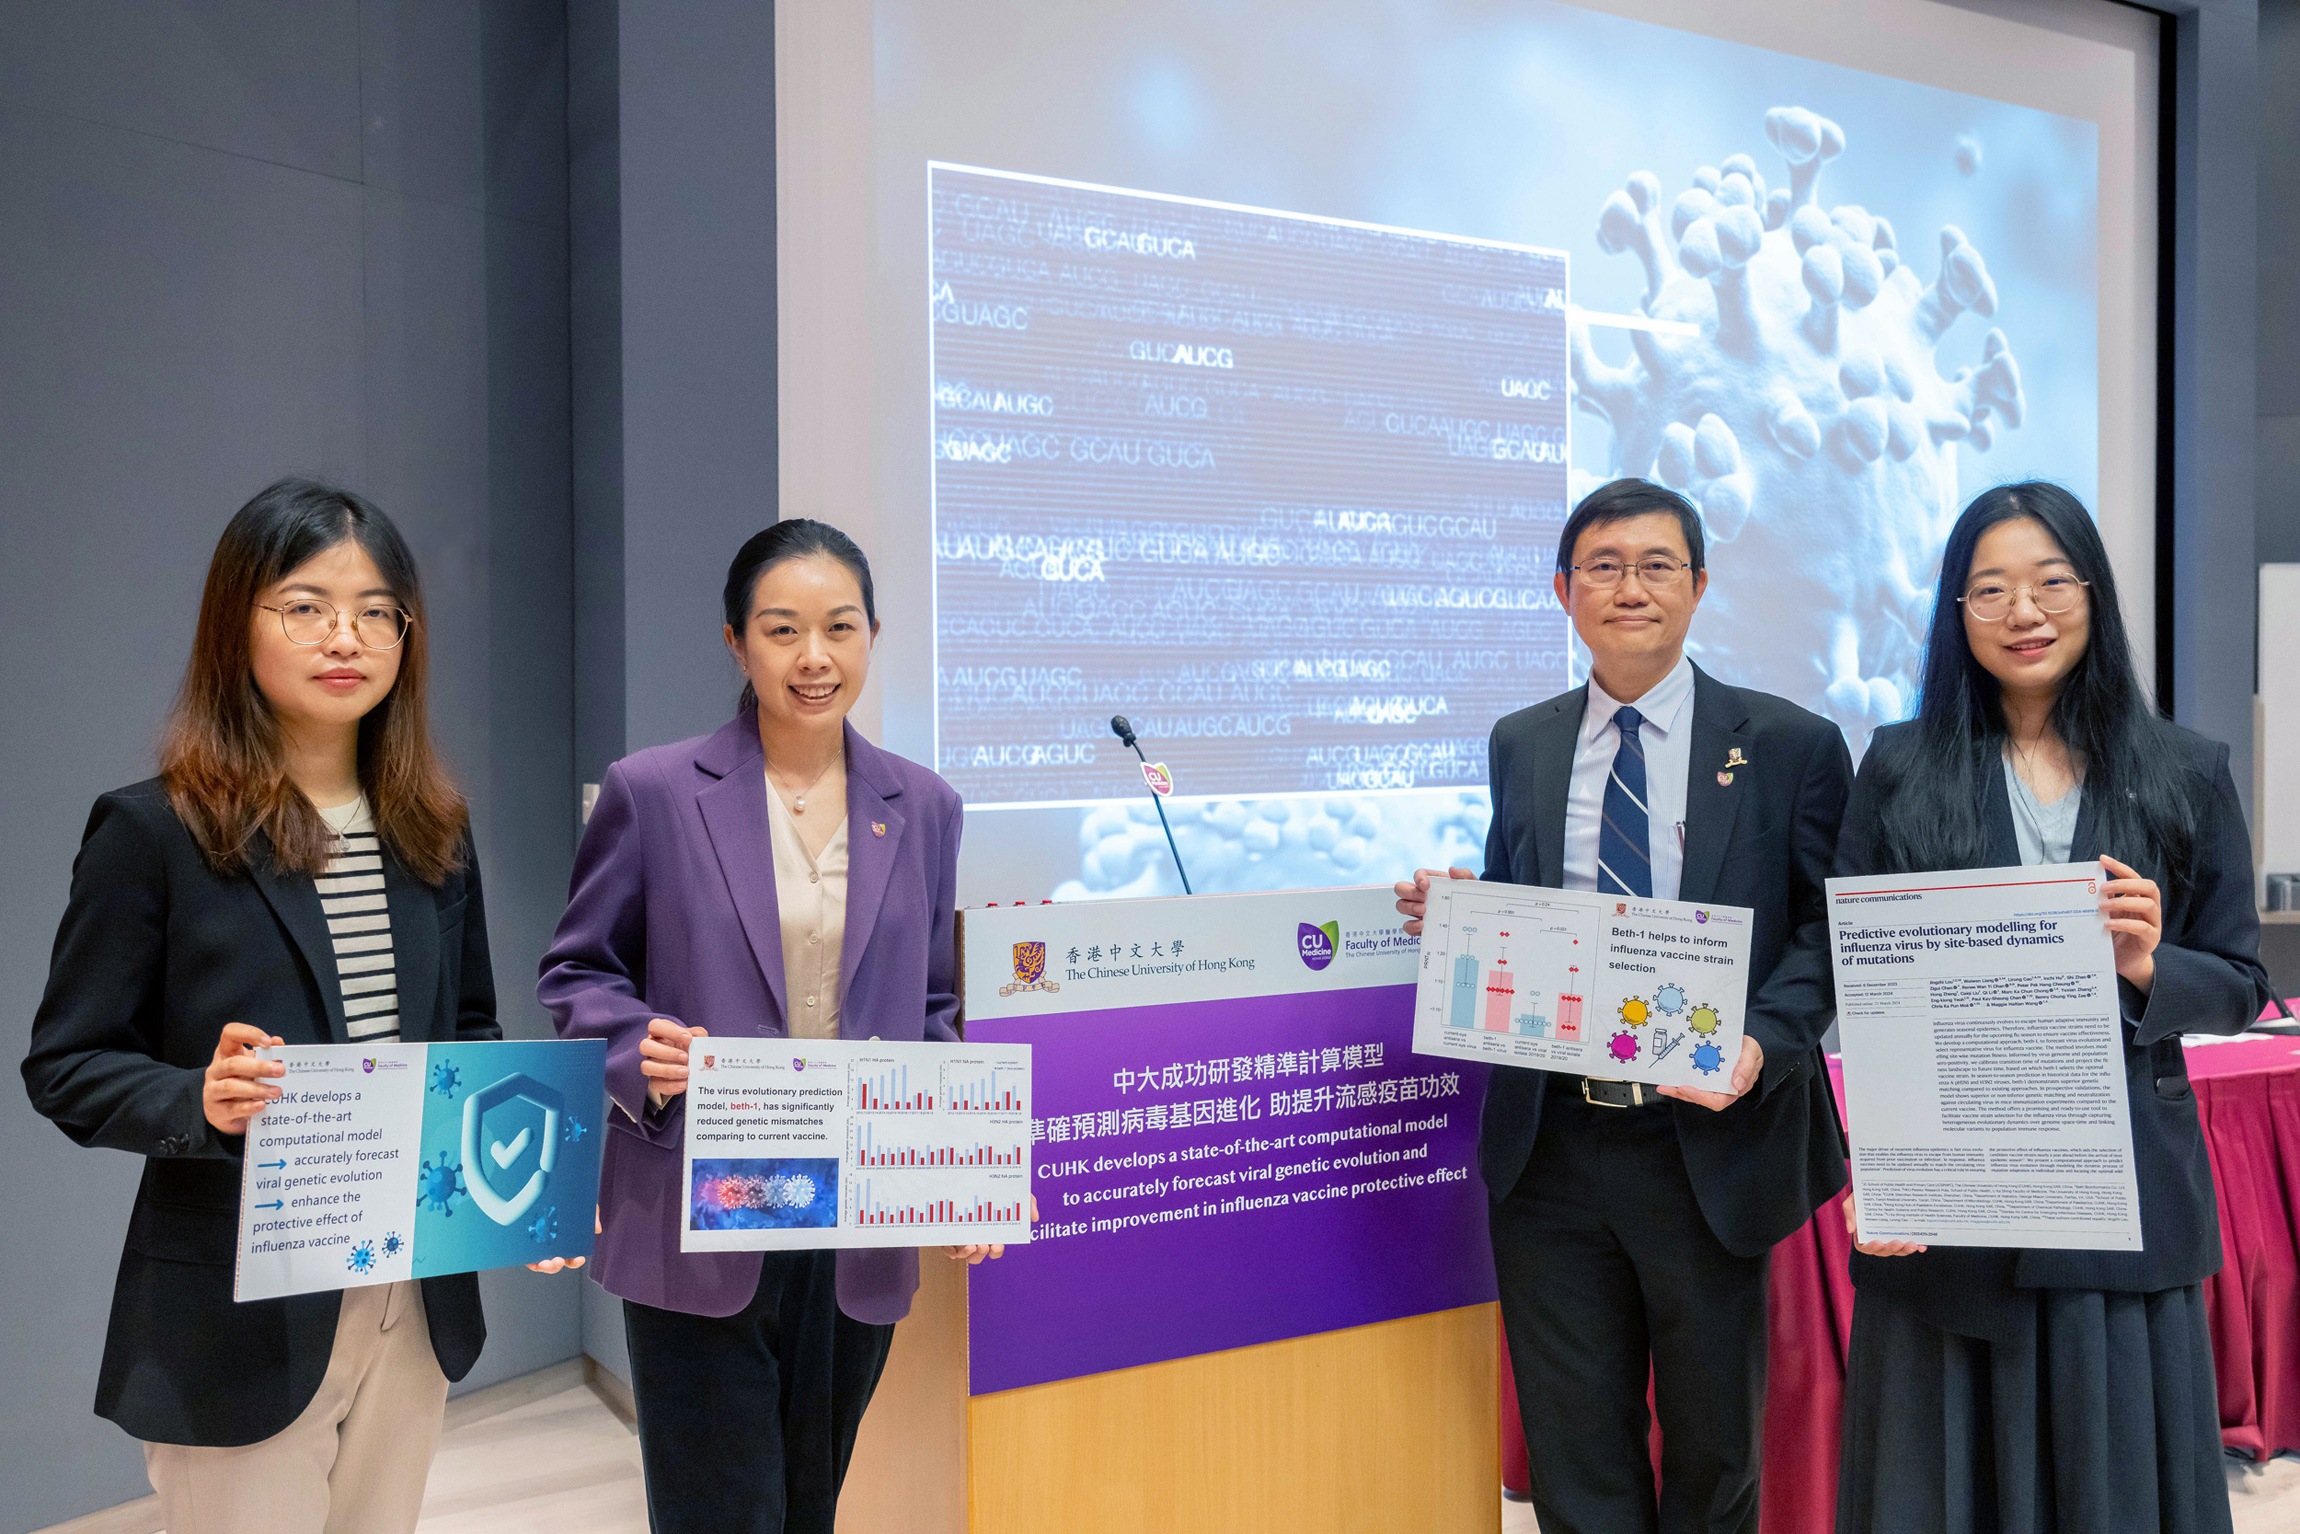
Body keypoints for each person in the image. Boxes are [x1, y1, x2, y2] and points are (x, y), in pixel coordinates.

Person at [20, 478, 542, 1534]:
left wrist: (521, 1190)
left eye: (376, 609)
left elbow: (470, 1038)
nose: (344, 635)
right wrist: (200, 1101)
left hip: (411, 1294)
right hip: (236, 1306)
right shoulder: (153, 831)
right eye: (304, 605)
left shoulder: (433, 831)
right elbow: (67, 1064)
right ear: (236, 622)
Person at [1396, 477, 1852, 1534]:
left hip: (1708, 1138)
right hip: (1551, 1145)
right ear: (1563, 591)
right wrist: (1465, 915)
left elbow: (1822, 933)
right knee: (1574, 1451)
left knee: (1711, 1451)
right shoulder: (1524, 739)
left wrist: (1760, 1044)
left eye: (1654, 566)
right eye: (1602, 567)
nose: (1629, 588)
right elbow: (1534, 908)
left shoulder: (1787, 744)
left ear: (1697, 585)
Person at [539, 519, 1005, 1534]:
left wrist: (961, 1172)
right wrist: (637, 1048)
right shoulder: (655, 791)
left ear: (873, 635)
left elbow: (929, 1007)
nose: (813, 657)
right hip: (697, 1206)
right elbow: (578, 970)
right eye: (782, 629)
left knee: (806, 1506)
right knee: (718, 1512)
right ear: (734, 643)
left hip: (853, 1220)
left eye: (838, 627)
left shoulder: (923, 806)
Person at [1832, 482, 2270, 1533]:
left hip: (2112, 1207)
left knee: (2106, 1489)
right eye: (1989, 590)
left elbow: (2241, 984)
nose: (2021, 611)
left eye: (2047, 582)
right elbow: (1860, 980)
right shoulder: (1896, 767)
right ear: (1955, 613)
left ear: (2090, 593)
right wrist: (1878, 1170)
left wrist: (2145, 964)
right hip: (1949, 1204)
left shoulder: (2182, 768)